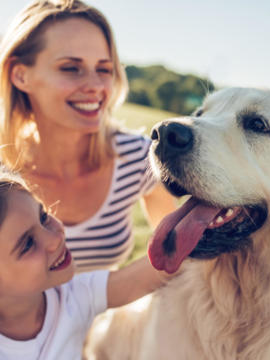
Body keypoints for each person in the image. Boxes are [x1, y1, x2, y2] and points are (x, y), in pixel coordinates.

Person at [0, 0, 176, 272]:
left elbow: (176, 259)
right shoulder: (3, 169)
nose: (95, 86)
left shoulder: (137, 157)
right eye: (71, 68)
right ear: (21, 75)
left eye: (104, 69)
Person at [0, 167, 171, 359]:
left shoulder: (72, 296)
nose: (54, 239)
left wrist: (195, 229)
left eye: (43, 217)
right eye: (28, 244)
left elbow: (145, 275)